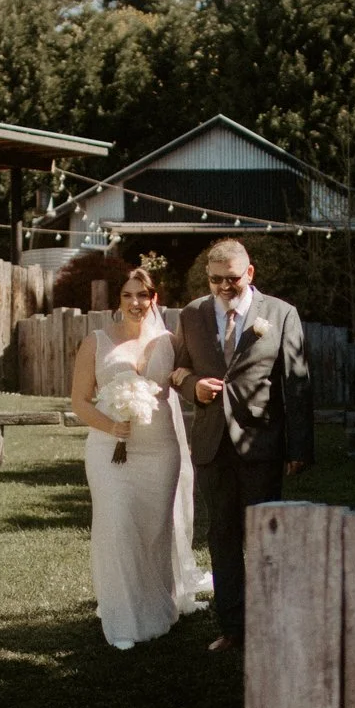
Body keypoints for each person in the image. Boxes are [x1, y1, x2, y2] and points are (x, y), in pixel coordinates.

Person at [168, 239, 314, 651]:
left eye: (231, 279)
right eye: (215, 280)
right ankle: (233, 629)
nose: (223, 288)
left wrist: (298, 446)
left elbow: (297, 383)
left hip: (261, 443)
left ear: (249, 274)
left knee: (265, 536)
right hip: (212, 445)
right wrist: (195, 388)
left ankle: (271, 624)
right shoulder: (192, 314)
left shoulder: (281, 314)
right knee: (223, 535)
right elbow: (178, 370)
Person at [70, 265, 201, 649]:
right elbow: (79, 401)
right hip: (109, 450)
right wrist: (111, 426)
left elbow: (188, 378)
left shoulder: (170, 341)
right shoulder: (96, 342)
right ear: (118, 300)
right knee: (118, 527)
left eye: (142, 295)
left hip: (160, 451)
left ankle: (156, 610)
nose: (135, 302)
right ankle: (123, 620)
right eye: (128, 295)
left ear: (154, 299)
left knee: (153, 533)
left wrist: (186, 379)